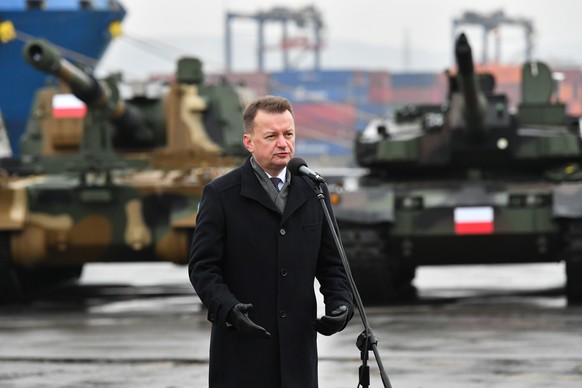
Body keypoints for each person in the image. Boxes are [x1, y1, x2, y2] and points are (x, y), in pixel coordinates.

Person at [188, 95, 354, 388]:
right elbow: (203, 267)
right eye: (272, 136)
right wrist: (228, 307)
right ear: (249, 142)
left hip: (298, 352)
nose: (283, 143)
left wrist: (340, 303)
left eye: (288, 134)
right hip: (242, 350)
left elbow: (332, 264)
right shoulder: (221, 195)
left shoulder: (314, 191)